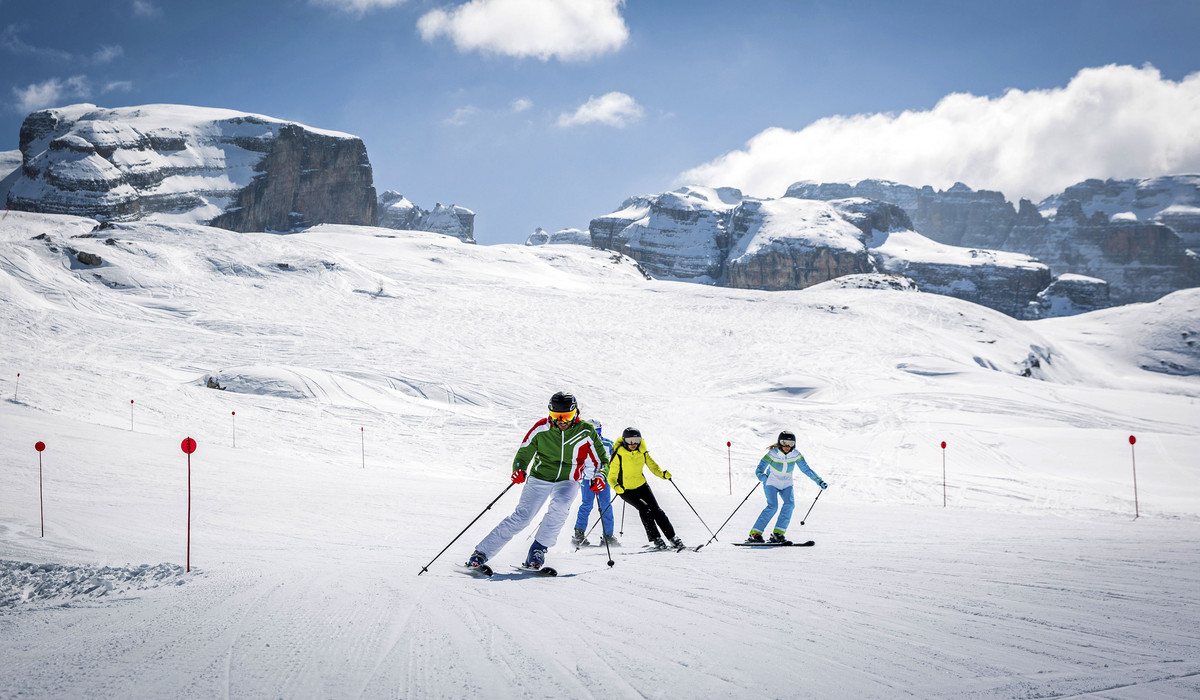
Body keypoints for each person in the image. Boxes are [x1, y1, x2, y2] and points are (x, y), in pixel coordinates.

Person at [467, 392, 608, 570]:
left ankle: (537, 550)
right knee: (522, 517)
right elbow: (524, 451)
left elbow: (601, 460)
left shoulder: (586, 431)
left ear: (575, 413)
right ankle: (481, 553)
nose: (561, 421)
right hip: (540, 477)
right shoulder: (541, 428)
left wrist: (600, 475)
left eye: (567, 416)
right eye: (556, 416)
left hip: (569, 479)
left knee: (560, 509)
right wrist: (519, 468)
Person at [609, 427, 684, 550]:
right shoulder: (619, 455)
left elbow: (653, 466)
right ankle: (656, 539)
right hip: (625, 490)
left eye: (636, 440)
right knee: (644, 509)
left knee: (657, 510)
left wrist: (662, 474)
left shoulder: (642, 452)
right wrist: (617, 487)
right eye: (630, 441)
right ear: (624, 441)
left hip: (641, 485)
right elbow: (611, 477)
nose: (633, 444)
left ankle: (673, 538)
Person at [747, 430, 827, 544]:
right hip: (771, 483)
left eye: (790, 443)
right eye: (784, 443)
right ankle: (755, 534)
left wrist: (819, 481)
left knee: (790, 504)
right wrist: (762, 477)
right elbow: (760, 468)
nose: (787, 446)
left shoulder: (796, 454)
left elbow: (806, 469)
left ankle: (778, 533)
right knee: (773, 506)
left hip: (787, 484)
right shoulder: (772, 453)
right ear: (780, 442)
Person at [572, 419, 619, 547]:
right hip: (587, 479)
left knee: (606, 505)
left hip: (603, 479)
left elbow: (616, 459)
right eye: (593, 431)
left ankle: (608, 536)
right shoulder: (582, 443)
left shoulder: (608, 444)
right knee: (586, 505)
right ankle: (579, 534)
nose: (595, 434)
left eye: (597, 430)